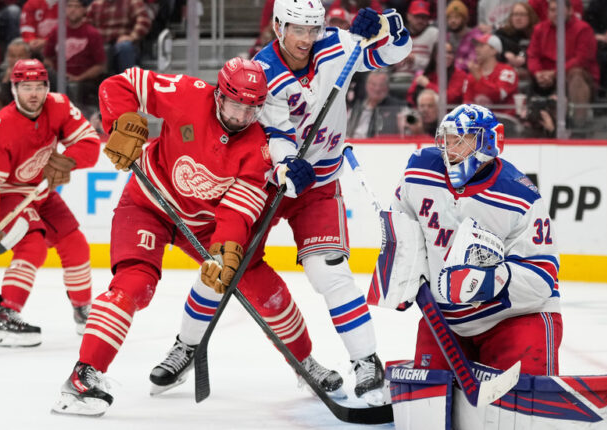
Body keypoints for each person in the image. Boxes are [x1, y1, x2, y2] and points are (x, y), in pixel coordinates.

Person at [151, 0, 413, 403]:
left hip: (320, 183)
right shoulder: (263, 72)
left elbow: (391, 54)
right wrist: (288, 163)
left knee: (330, 273)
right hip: (267, 181)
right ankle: (187, 346)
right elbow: (276, 132)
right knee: (225, 263)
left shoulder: (338, 45)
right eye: (297, 30)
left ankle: (366, 360)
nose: (306, 40)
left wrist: (391, 28)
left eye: (312, 30)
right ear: (278, 27)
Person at [51, 57, 329, 416]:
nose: (242, 116)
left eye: (252, 109)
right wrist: (119, 121)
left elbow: (238, 210)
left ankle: (305, 362)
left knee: (261, 286)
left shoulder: (259, 149)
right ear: (219, 94)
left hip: (203, 225)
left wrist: (226, 251)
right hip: (148, 204)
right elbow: (119, 84)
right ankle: (82, 377)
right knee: (135, 284)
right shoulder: (187, 94)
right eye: (235, 105)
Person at [387, 103, 561, 378]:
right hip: (444, 319)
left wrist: (486, 282)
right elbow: (403, 225)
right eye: (447, 139)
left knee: (521, 404)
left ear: (489, 142)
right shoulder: (420, 170)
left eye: (461, 140)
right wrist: (402, 274)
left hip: (513, 319)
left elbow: (543, 276)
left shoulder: (520, 196)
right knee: (429, 403)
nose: (451, 148)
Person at [0, 59, 101, 347]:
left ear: (47, 87)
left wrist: (68, 159)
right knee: (33, 243)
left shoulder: (60, 105)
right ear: (14, 89)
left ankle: (82, 311)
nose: (34, 93)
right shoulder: (0, 127)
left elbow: (90, 142)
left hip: (42, 191)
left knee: (75, 243)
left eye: (39, 86)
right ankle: (7, 316)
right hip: (9, 193)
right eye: (26, 87)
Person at [527, 0, 597, 124]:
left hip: (573, 75)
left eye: (559, 10)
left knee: (576, 75)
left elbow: (581, 59)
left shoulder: (583, 29)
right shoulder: (539, 29)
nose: (555, 14)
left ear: (570, 11)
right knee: (517, 73)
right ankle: (524, 120)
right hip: (546, 76)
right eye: (552, 10)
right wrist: (538, 73)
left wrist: (554, 73)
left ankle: (579, 125)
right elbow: (532, 55)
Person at [43, 0, 106, 113]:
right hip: (58, 78)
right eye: (70, 6)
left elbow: (100, 66)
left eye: (76, 6)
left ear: (84, 10)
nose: (72, 10)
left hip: (84, 81)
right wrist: (58, 74)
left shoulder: (92, 33)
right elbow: (47, 58)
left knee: (77, 87)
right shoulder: (57, 31)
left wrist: (78, 78)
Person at [85, 0, 152, 74]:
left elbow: (144, 21)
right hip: (102, 44)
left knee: (124, 47)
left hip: (125, 43)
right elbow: (86, 25)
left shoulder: (133, 2)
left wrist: (132, 37)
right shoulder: (95, 4)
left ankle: (126, 82)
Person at [465, 33, 518, 114]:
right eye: (476, 46)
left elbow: (498, 95)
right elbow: (467, 103)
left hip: (504, 122)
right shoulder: (472, 74)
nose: (476, 49)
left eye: (481, 46)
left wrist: (479, 78)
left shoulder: (507, 72)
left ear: (494, 50)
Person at [346, 70, 404, 138]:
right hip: (353, 144)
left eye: (381, 85)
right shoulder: (356, 107)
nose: (377, 89)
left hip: (380, 145)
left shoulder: (396, 108)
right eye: (373, 84)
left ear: (387, 87)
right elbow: (346, 131)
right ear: (366, 86)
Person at [494, 1, 539, 85]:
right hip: (504, 72)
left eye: (522, 15)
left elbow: (529, 53)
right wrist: (505, 54)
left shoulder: (536, 34)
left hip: (530, 73)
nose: (518, 18)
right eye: (515, 14)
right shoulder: (501, 34)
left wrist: (521, 58)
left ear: (530, 17)